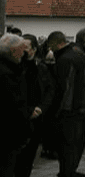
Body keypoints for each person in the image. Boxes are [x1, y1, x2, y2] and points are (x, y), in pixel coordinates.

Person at [50, 30, 85, 177]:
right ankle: (69, 171)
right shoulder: (77, 54)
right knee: (75, 143)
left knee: (69, 144)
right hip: (80, 107)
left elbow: (66, 88)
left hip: (72, 109)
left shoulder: (67, 57)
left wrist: (59, 109)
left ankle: (67, 172)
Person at [14, 34, 55, 177]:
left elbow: (50, 90)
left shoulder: (41, 68)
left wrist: (41, 108)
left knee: (30, 155)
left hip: (37, 117)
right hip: (19, 117)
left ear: (34, 50)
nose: (24, 51)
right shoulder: (16, 67)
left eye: (26, 47)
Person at [0, 34, 30, 177]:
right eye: (21, 49)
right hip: (8, 134)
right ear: (13, 50)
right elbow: (14, 104)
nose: (24, 53)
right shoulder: (7, 74)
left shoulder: (13, 68)